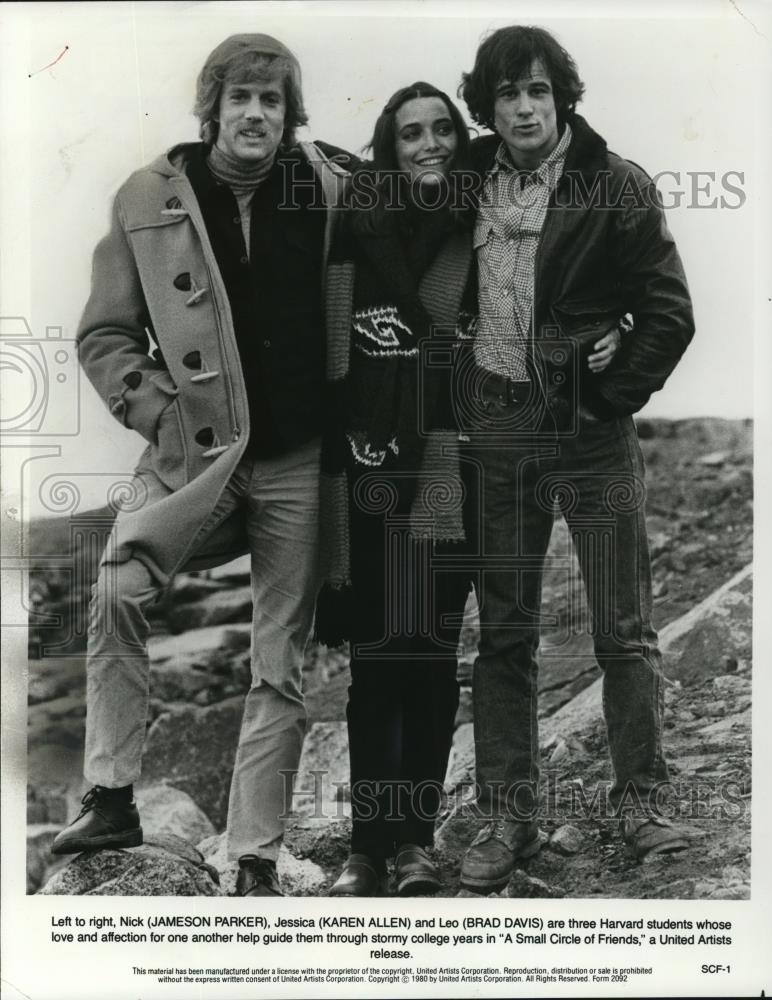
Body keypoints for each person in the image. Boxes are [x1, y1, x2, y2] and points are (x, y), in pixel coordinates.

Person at [50, 34, 353, 898]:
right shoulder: (146, 196)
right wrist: (158, 411)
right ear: (212, 109)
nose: (255, 114)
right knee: (118, 588)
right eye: (239, 99)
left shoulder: (330, 187)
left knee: (279, 658)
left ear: (291, 114)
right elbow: (105, 334)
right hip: (192, 457)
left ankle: (254, 853)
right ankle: (112, 796)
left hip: (299, 459)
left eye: (271, 100)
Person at [456, 25, 695, 893]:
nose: (524, 108)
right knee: (504, 635)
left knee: (622, 630)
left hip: (591, 436)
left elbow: (668, 312)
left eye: (539, 91)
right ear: (486, 106)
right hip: (497, 433)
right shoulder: (462, 182)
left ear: (561, 98)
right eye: (507, 93)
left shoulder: (614, 183)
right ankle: (508, 816)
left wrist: (607, 392)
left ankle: (643, 804)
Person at [316, 82, 478, 897]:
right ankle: (365, 848)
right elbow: (330, 354)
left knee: (431, 659)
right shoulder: (352, 227)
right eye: (411, 133)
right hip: (365, 467)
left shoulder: (477, 228)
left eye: (442, 129)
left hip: (448, 464)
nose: (429, 144)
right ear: (390, 146)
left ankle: (413, 841)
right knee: (376, 661)